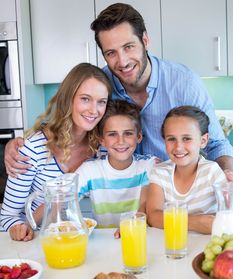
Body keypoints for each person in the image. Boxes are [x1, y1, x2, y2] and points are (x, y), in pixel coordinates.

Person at [4, 3, 233, 177]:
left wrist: (227, 174)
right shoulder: (101, 85)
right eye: (111, 52)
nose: (122, 61)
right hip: (118, 196)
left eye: (128, 47)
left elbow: (216, 143)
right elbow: (65, 122)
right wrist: (19, 145)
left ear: (145, 40)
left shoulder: (184, 83)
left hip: (172, 193)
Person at [0, 63, 112, 241]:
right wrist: (18, 228)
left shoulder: (104, 148)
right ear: (68, 99)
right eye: (85, 99)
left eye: (101, 102)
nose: (94, 110)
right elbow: (7, 216)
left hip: (88, 242)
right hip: (38, 243)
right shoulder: (33, 149)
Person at [76, 99, 158, 235]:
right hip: (104, 243)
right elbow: (63, 198)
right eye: (112, 134)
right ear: (101, 139)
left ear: (139, 136)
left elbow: (145, 205)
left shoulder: (148, 165)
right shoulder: (90, 170)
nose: (121, 141)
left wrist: (133, 224)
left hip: (139, 239)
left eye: (128, 133)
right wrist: (30, 224)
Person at [146, 105, 227, 234]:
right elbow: (153, 217)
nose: (178, 147)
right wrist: (196, 222)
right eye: (171, 139)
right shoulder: (159, 172)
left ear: (203, 140)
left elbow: (227, 214)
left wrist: (171, 220)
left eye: (187, 139)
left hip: (204, 247)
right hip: (170, 246)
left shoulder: (212, 171)